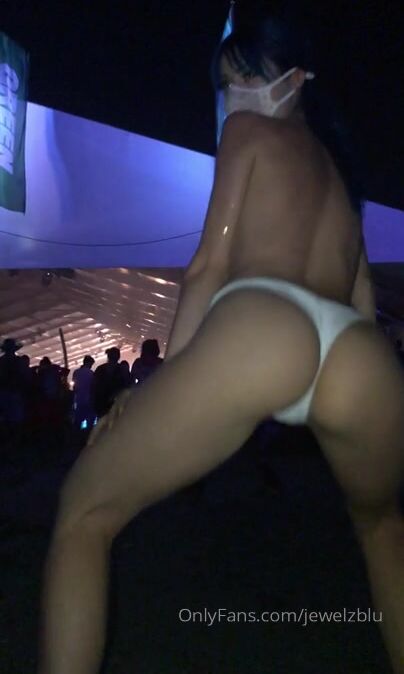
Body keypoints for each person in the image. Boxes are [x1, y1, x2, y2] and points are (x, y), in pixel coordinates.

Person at [38, 10, 404, 674]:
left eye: (249, 76)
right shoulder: (343, 181)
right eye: (228, 81)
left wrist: (159, 384)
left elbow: (209, 265)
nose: (236, 93)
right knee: (384, 530)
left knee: (83, 514)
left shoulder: (246, 132)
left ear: (297, 79)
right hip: (357, 352)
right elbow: (360, 301)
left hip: (264, 324)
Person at [92, 347, 125, 418]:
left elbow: (94, 386)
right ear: (118, 357)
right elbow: (125, 386)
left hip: (101, 403)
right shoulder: (121, 369)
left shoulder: (100, 369)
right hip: (115, 403)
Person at [72, 356, 96, 430]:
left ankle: (76, 435)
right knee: (90, 422)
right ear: (89, 363)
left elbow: (75, 387)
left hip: (79, 400)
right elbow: (93, 387)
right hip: (89, 400)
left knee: (78, 422)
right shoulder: (91, 373)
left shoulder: (76, 372)